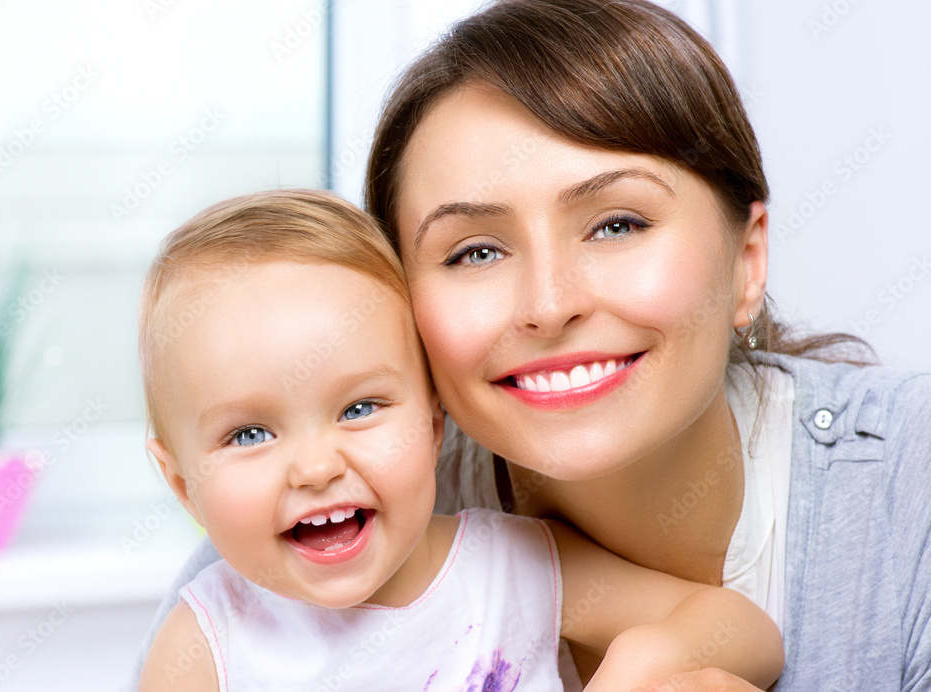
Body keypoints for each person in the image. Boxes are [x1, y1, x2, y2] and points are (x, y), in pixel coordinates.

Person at [129, 1, 931, 690]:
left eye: (618, 224)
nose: (548, 306)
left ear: (747, 261)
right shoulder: (294, 554)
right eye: (474, 251)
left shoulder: (909, 486)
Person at [133, 189, 783, 691]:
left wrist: (647, 659)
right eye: (249, 434)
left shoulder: (510, 569)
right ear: (182, 484)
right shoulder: (203, 646)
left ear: (435, 421)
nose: (314, 466)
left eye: (360, 408)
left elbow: (745, 630)